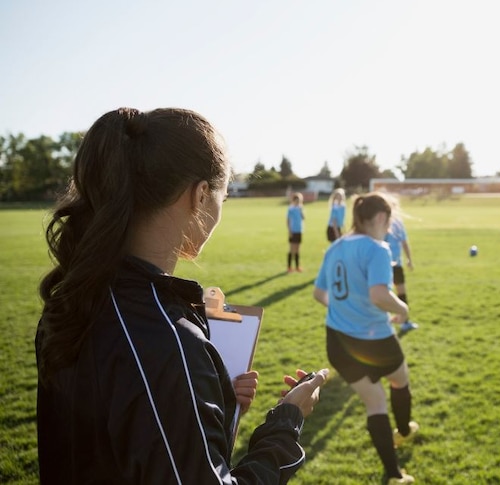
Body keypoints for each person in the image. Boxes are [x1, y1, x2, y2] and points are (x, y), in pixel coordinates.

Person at [35, 107, 328, 484]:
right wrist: (286, 423)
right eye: (222, 196)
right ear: (201, 195)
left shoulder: (75, 298)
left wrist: (207, 400)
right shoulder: (165, 339)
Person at [313, 193, 419, 485]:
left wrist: (346, 310)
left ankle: (394, 474)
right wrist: (403, 309)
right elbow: (379, 295)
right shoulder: (378, 249)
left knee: (375, 402)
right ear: (382, 218)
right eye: (390, 223)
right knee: (400, 379)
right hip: (375, 340)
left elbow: (319, 295)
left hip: (337, 342)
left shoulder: (334, 247)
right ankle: (404, 431)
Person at [384, 197, 419, 333]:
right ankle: (385, 323)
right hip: (384, 264)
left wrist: (409, 259)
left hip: (396, 264)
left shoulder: (398, 223)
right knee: (385, 294)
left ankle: (404, 321)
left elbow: (404, 242)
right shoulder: (381, 223)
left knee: (400, 292)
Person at [287, 192, 305, 272]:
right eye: (296, 200)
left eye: (299, 200)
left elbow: (303, 218)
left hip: (299, 231)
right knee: (292, 249)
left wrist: (301, 211)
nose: (298, 202)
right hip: (293, 231)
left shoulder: (300, 208)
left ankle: (297, 267)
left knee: (297, 249)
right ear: (293, 200)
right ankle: (289, 267)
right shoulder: (291, 209)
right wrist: (290, 231)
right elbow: (288, 220)